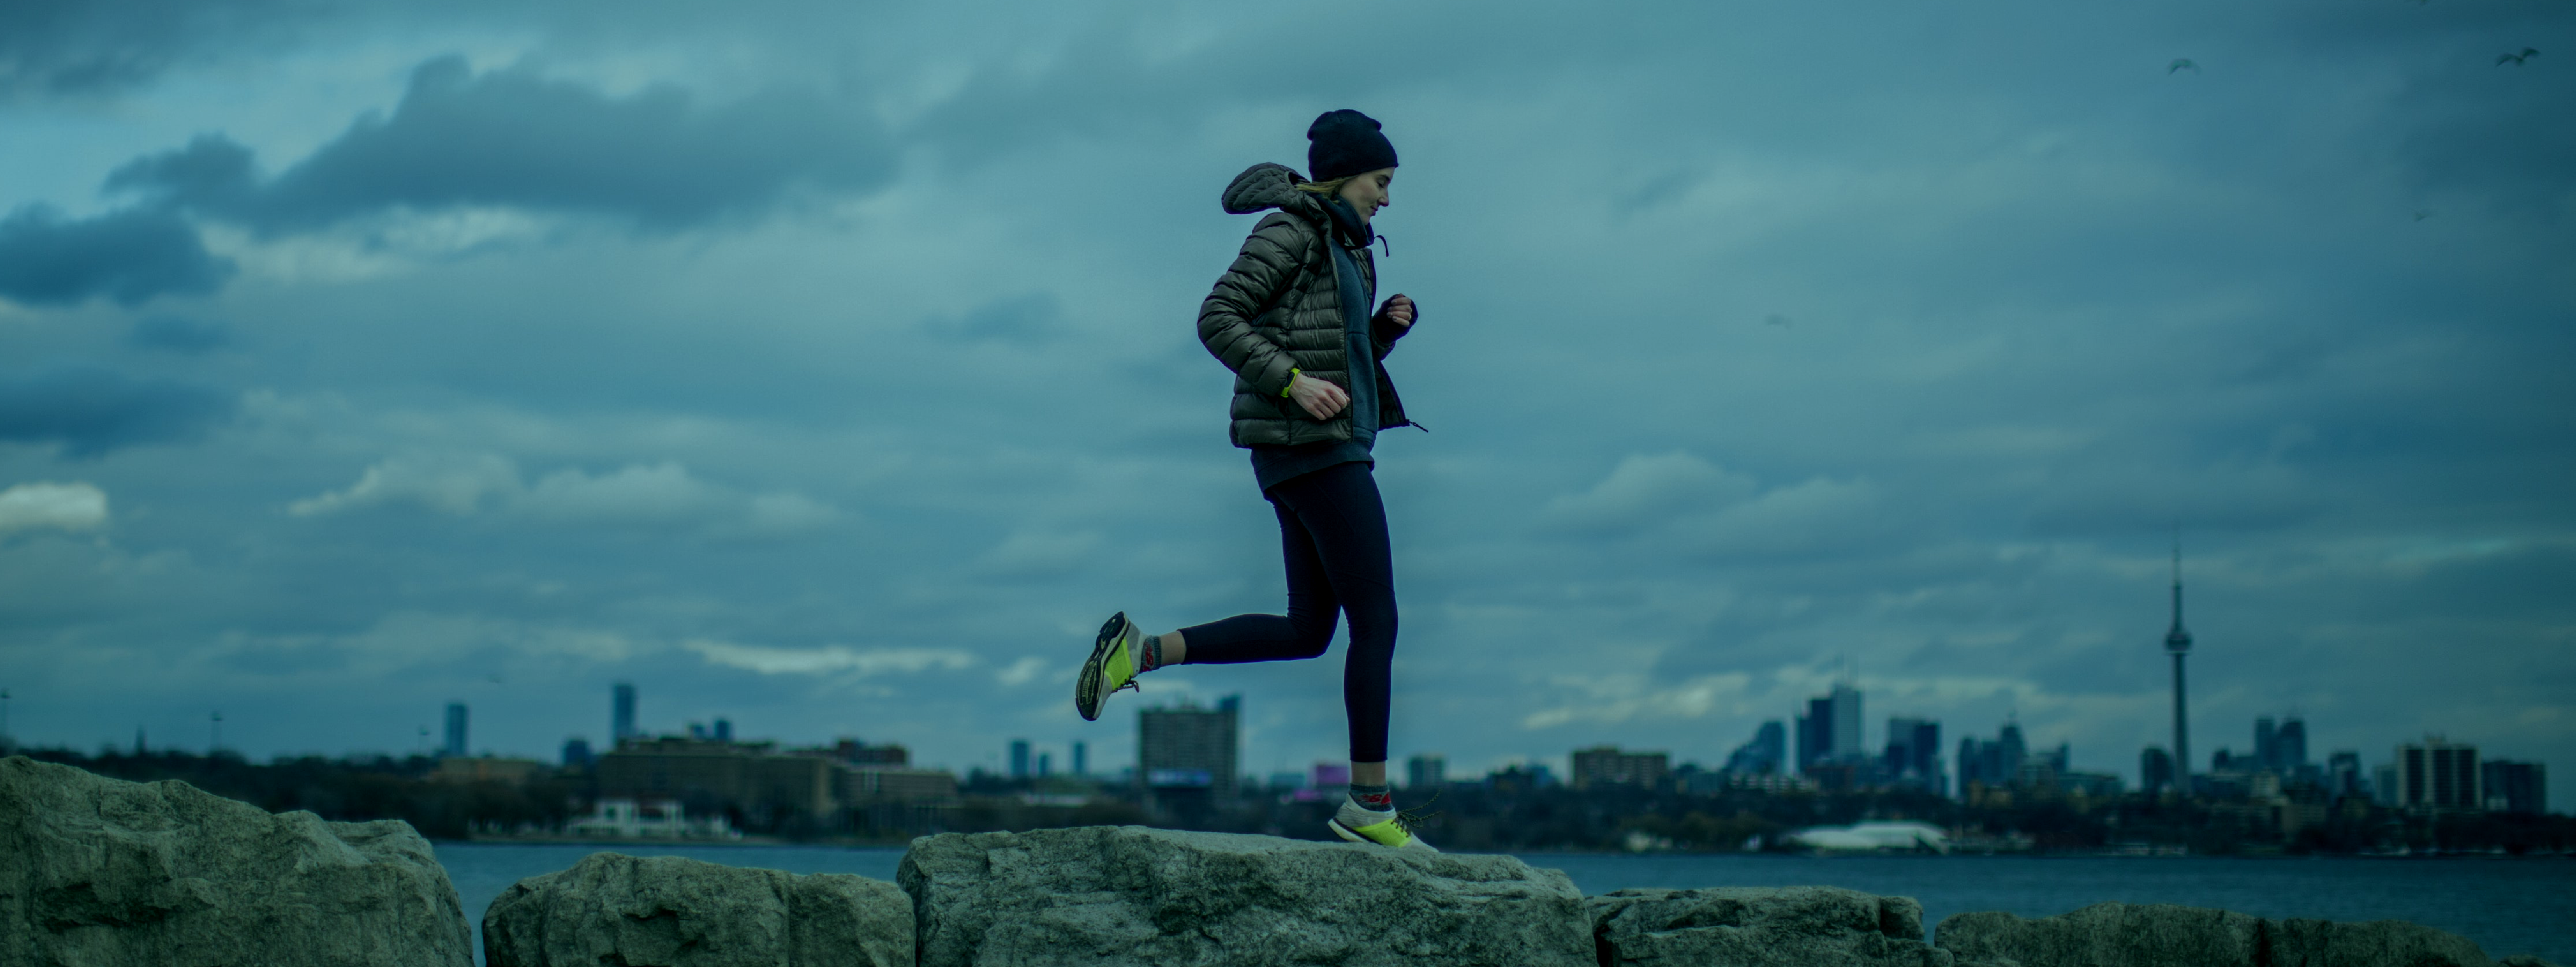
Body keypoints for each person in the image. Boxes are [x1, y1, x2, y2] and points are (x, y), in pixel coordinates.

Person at [1075, 109, 1431, 850]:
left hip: (1312, 446)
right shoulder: (1292, 229)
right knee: (1378, 621)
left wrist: (1381, 337)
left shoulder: (1346, 246)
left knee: (1310, 630)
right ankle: (1370, 803)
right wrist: (1293, 383)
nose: (1388, 199)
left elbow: (1328, 350)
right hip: (1314, 448)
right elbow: (1218, 317)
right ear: (1346, 175)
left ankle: (1139, 652)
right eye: (1382, 182)